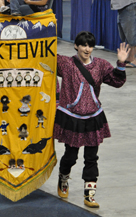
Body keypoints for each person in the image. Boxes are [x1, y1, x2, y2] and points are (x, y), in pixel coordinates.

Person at [55, 31, 129, 208]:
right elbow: (44, 55)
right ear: (76, 46)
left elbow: (116, 82)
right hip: (72, 118)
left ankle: (89, 195)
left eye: (90, 45)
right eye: (83, 45)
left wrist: (121, 63)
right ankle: (63, 178)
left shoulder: (101, 65)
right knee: (70, 156)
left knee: (91, 158)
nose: (87, 49)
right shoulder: (65, 63)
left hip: (93, 117)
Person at [108, 0, 136, 68]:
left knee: (131, 34)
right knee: (125, 34)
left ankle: (133, 59)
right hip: (123, 6)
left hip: (130, 4)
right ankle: (128, 57)